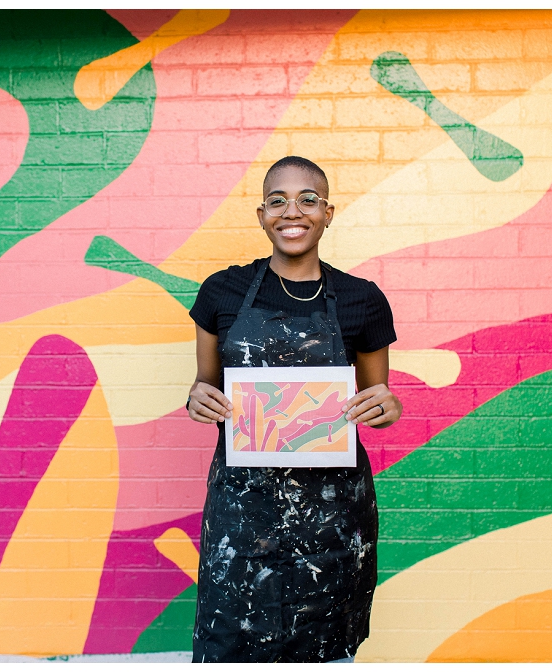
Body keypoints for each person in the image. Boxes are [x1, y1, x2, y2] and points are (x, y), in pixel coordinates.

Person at [186, 156, 403, 662]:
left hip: (331, 517)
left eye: (308, 200)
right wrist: (198, 398)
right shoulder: (223, 291)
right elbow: (204, 384)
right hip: (242, 512)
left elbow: (380, 399)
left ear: (328, 213)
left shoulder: (361, 300)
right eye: (278, 201)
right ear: (261, 214)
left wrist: (386, 406)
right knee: (231, 646)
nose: (293, 211)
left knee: (323, 650)